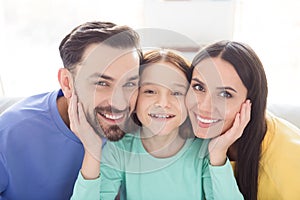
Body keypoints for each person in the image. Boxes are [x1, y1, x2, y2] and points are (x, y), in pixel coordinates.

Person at [70, 49, 248, 199]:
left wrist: (218, 154)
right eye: (150, 91)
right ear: (134, 96)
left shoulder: (203, 151)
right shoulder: (120, 150)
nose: (163, 103)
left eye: (176, 92)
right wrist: (92, 150)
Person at [0, 21, 142, 199]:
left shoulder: (138, 127)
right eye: (101, 83)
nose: (120, 102)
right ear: (67, 83)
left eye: (129, 83)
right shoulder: (9, 132)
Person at [186, 40, 300, 200]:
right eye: (199, 87)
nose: (204, 107)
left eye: (225, 94)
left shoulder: (291, 168)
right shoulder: (183, 134)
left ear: (251, 102)